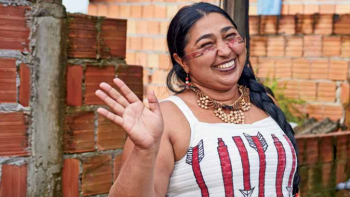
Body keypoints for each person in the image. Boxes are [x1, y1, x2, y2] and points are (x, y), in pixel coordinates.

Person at [95, 2, 300, 197]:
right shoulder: (165, 121)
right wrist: (144, 151)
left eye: (230, 37)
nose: (225, 51)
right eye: (207, 44)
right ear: (181, 61)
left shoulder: (265, 102)